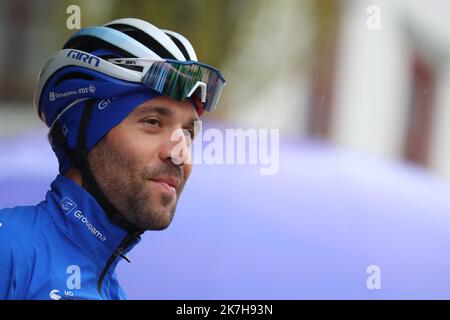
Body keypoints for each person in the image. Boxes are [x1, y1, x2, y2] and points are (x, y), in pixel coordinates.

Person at [0, 18, 226, 300]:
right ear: (84, 136)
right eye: (153, 122)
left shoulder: (111, 292)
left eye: (188, 132)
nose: (180, 153)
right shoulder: (8, 248)